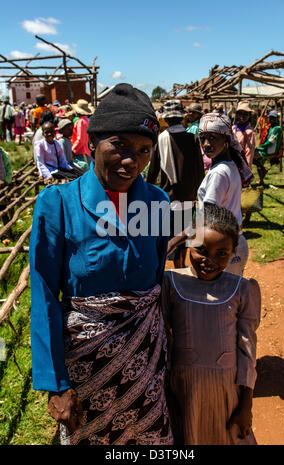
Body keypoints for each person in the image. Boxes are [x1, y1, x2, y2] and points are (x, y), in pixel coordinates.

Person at [30, 83, 174, 445]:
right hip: (86, 372)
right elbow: (44, 292)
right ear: (92, 143)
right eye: (120, 146)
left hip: (146, 366)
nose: (132, 161)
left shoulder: (156, 201)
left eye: (143, 150)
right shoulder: (58, 203)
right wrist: (57, 383)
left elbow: (155, 284)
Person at [161, 203, 261, 445]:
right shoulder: (171, 283)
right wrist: (179, 238)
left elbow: (247, 351)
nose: (209, 260)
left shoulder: (241, 289)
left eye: (221, 253)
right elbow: (163, 336)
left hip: (226, 391)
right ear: (188, 244)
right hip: (184, 388)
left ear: (233, 251)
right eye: (201, 249)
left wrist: (246, 404)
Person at [168, 112, 253, 276]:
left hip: (222, 248)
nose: (206, 144)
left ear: (226, 140)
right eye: (203, 138)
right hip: (232, 243)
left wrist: (173, 242)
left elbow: (205, 218)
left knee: (219, 297)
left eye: (213, 138)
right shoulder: (229, 166)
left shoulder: (218, 174)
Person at [147, 100, 205, 268]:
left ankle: (166, 268)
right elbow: (199, 169)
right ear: (182, 118)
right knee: (184, 232)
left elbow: (153, 171)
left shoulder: (161, 140)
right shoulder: (192, 138)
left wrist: (149, 189)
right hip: (187, 196)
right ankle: (181, 264)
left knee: (167, 234)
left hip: (167, 196)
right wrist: (198, 192)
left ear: (166, 119)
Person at [253, 110, 283, 185]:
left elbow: (270, 141)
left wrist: (260, 147)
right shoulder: (269, 127)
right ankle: (261, 180)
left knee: (250, 156)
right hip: (266, 149)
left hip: (270, 151)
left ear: (277, 119)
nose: (271, 119)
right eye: (270, 118)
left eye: (273, 118)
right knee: (258, 163)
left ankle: (262, 169)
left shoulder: (277, 128)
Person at [232, 102, 256, 168]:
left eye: (245, 114)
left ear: (249, 116)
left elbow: (249, 153)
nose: (242, 116)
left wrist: (246, 170)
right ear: (237, 114)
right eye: (240, 113)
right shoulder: (233, 128)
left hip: (240, 165)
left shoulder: (249, 132)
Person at [71, 99, 93, 172]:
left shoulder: (80, 122)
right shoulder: (87, 120)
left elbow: (80, 139)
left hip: (81, 151)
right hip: (87, 150)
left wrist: (73, 150)